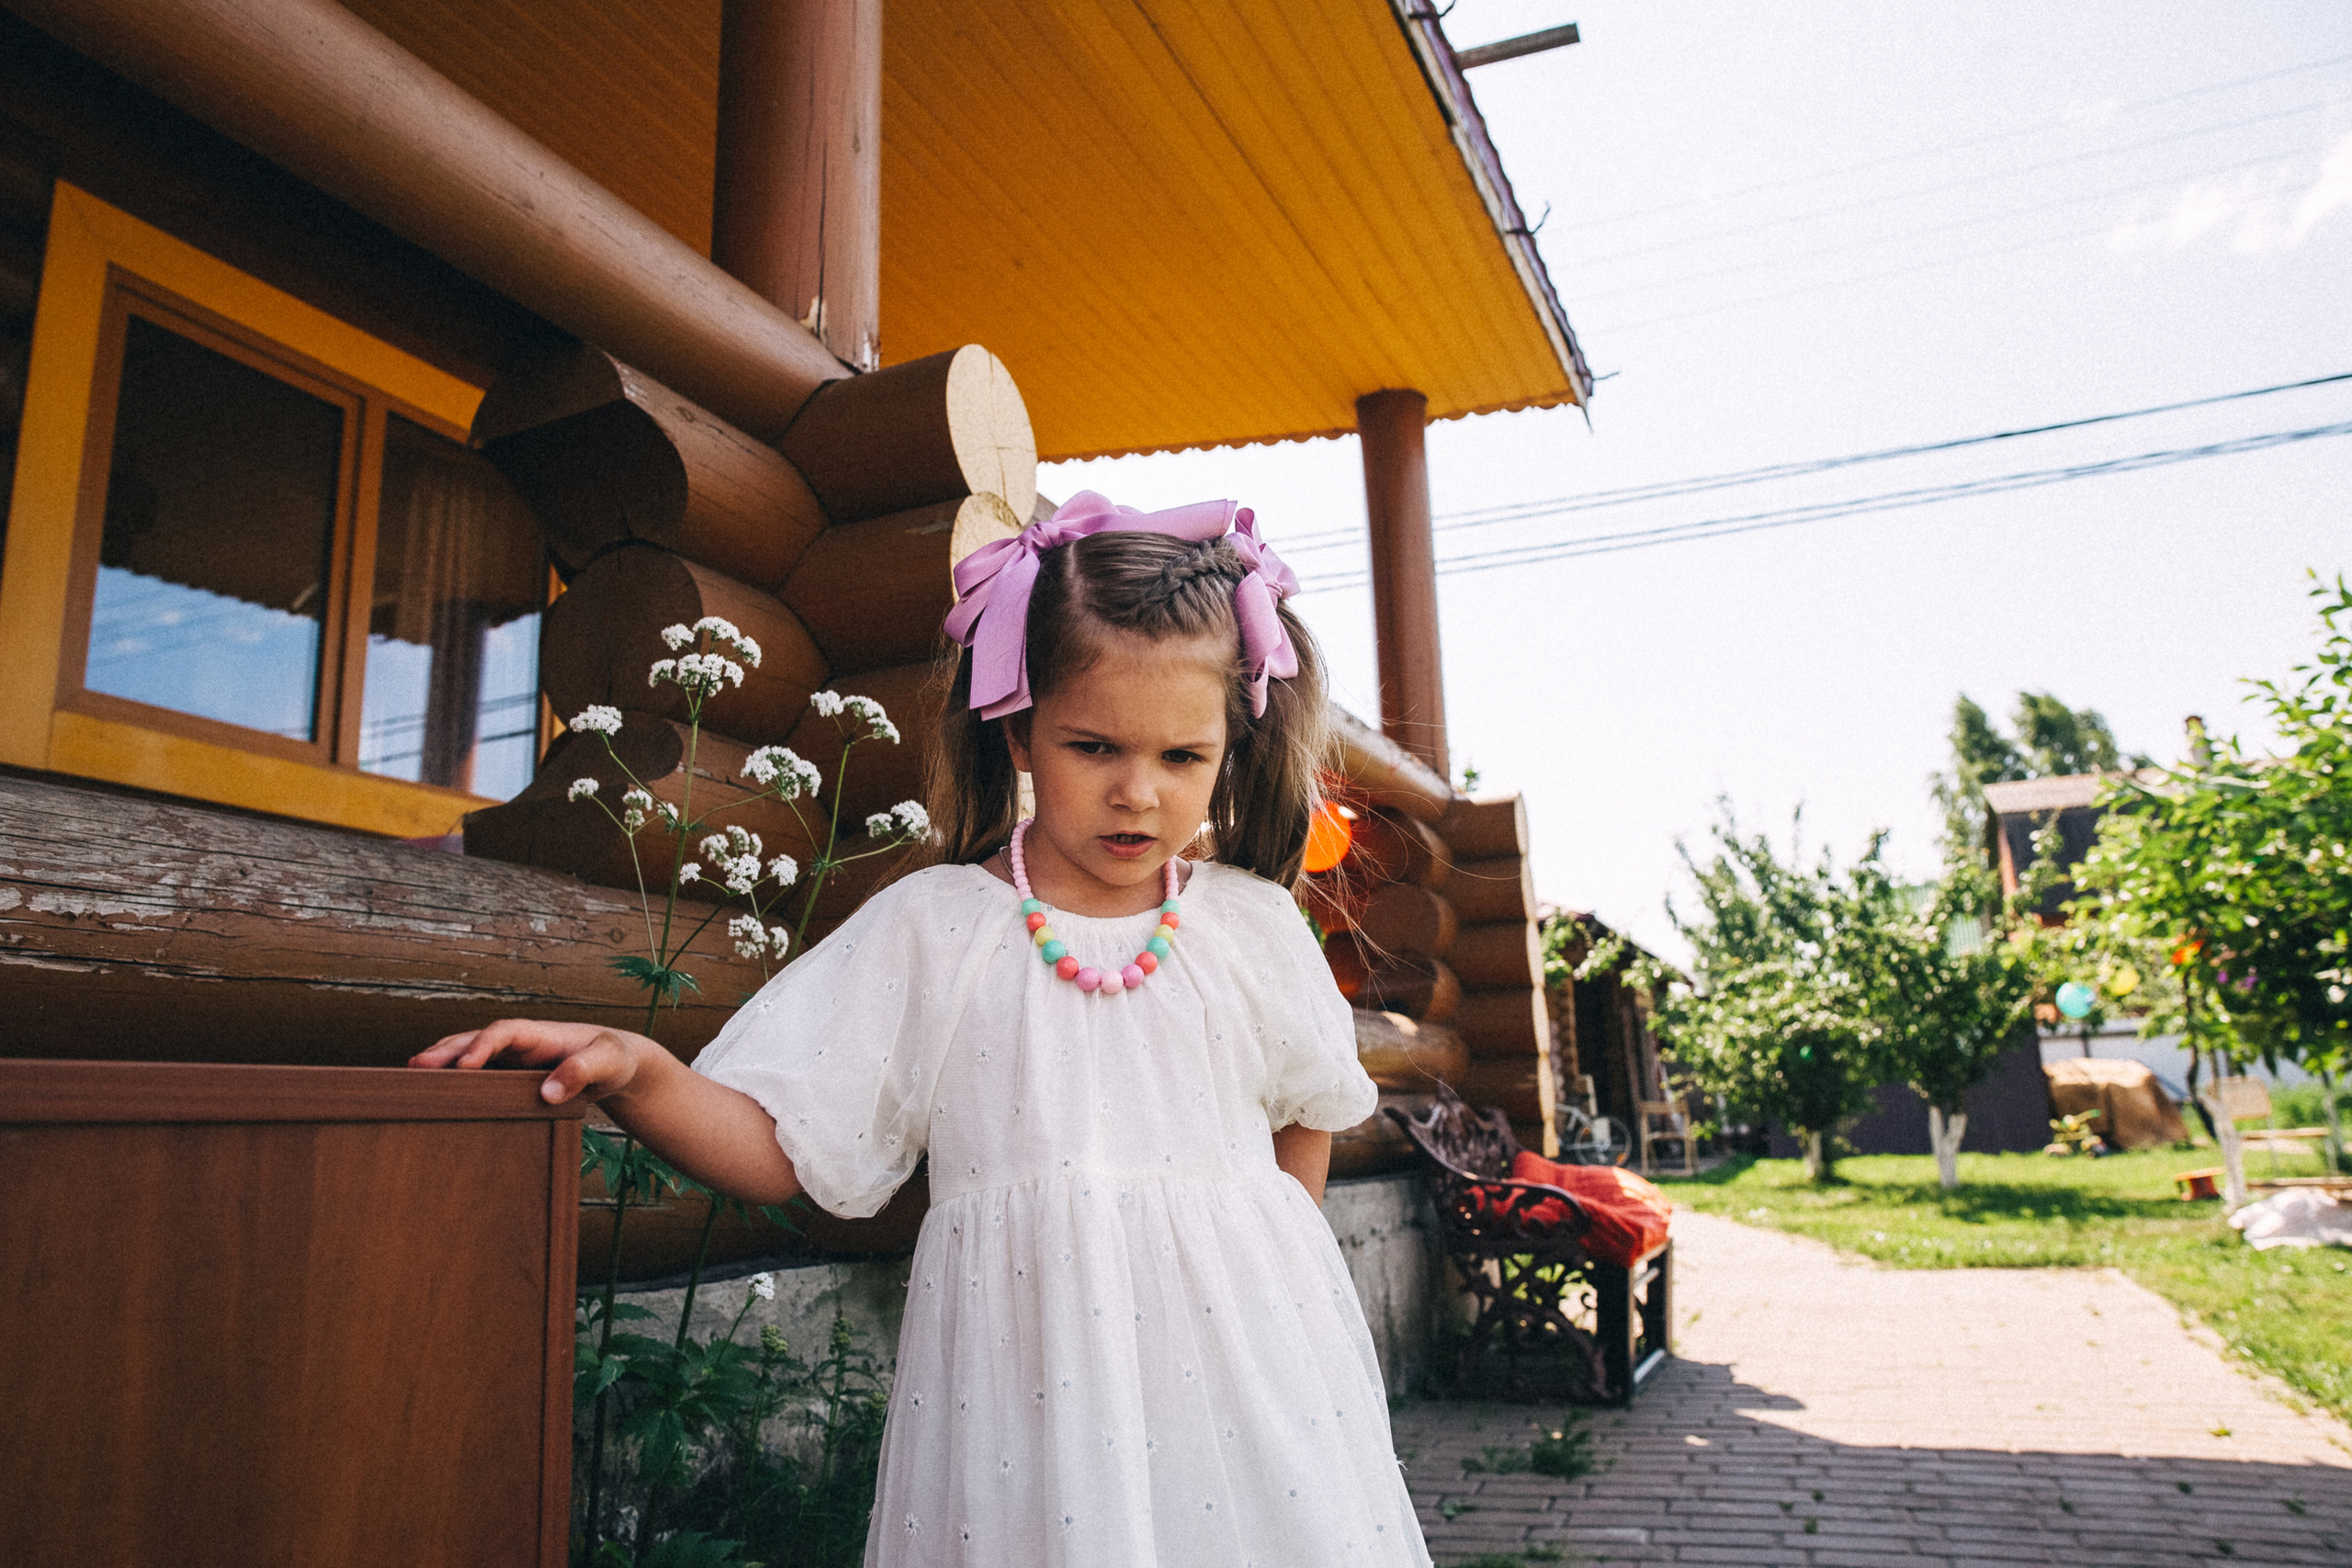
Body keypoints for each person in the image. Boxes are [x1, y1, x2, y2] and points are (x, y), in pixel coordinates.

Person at [413, 492, 1432, 1567]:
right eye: (1093, 746)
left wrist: (1264, 1280)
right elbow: (784, 1143)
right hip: (1029, 1397)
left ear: (1231, 747)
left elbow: (1306, 1115)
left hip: (1247, 1381)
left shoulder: (1250, 925)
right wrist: (640, 1071)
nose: (1137, 793)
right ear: (1017, 725)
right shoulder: (935, 929)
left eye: (1182, 756)